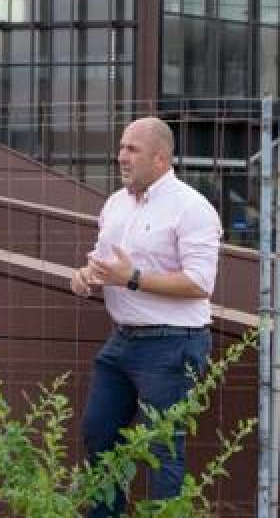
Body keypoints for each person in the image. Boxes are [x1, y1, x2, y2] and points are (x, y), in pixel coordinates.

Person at [71, 117, 222, 518]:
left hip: (173, 342)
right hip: (123, 340)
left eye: (131, 149)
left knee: (162, 447)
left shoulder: (192, 208)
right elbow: (104, 263)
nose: (121, 157)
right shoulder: (115, 204)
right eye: (121, 147)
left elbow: (200, 282)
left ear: (161, 157)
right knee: (99, 432)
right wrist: (85, 277)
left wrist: (132, 279)